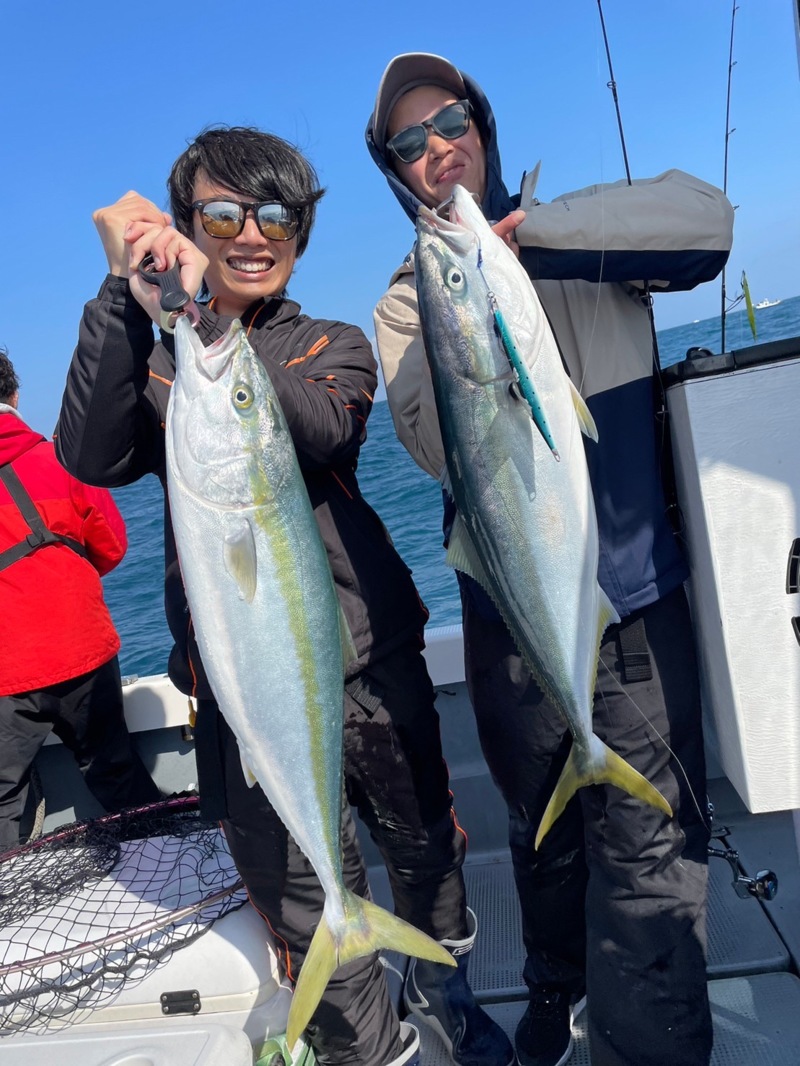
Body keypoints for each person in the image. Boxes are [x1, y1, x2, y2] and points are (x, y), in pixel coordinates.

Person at [55, 126, 514, 1066]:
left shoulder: (331, 344)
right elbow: (89, 456)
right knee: (307, 895)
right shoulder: (163, 367)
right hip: (244, 691)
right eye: (222, 214)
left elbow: (321, 430)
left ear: (301, 232)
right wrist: (124, 296)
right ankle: (372, 1049)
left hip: (374, 671)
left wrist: (210, 330)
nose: (252, 233)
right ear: (189, 226)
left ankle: (445, 986)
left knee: (429, 851)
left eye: (277, 214)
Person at [366, 53, 735, 1066]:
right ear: (394, 173)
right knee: (545, 847)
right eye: (409, 141)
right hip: (512, 628)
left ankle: (649, 1042)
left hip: (630, 610)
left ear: (480, 126)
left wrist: (545, 244)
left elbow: (705, 221)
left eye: (449, 121)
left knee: (650, 853)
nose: (437, 147)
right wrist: (469, 301)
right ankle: (558, 1004)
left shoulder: (584, 233)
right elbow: (440, 443)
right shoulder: (408, 304)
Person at [0, 347, 160, 853]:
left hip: (7, 672)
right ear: (16, 395)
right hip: (82, 645)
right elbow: (111, 543)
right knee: (115, 770)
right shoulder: (60, 459)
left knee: (4, 801)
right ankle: (159, 870)